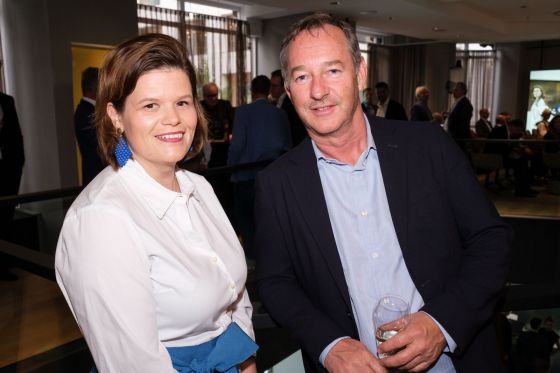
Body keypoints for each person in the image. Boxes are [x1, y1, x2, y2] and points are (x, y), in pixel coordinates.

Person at [254, 12, 512, 373]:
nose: (317, 90)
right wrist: (330, 346)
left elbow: (491, 240)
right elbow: (275, 282)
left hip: (451, 359)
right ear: (289, 88)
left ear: (360, 74)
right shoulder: (276, 183)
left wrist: (441, 323)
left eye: (332, 70)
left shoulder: (428, 147)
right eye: (301, 76)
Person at [55, 33, 257, 373]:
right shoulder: (102, 218)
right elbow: (134, 363)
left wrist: (246, 362)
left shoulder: (201, 187)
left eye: (182, 102)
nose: (173, 119)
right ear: (116, 116)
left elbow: (235, 299)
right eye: (151, 105)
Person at [228, 75, 291, 261]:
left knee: (246, 221)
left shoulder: (243, 112)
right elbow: (288, 145)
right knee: (270, 221)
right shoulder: (280, 114)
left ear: (251, 91)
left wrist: (231, 168)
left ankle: (251, 260)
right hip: (273, 176)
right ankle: (272, 258)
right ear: (269, 90)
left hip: (246, 175)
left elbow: (237, 145)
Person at [0, 91, 25, 281]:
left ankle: (4, 267)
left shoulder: (7, 101)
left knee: (5, 220)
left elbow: (16, 137)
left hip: (8, 172)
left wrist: (18, 165)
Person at [74, 67, 106, 185]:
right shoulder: (85, 113)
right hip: (97, 178)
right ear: (95, 88)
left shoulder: (90, 110)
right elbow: (102, 144)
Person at [271, 69, 307, 145]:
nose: (271, 89)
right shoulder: (274, 103)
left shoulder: (291, 103)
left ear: (284, 87)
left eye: (275, 86)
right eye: (271, 85)